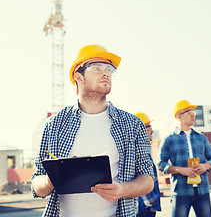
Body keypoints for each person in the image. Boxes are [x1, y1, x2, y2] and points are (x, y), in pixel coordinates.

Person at [31, 44, 154, 217]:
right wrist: (50, 180)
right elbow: (37, 184)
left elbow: (148, 180)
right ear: (78, 76)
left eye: (109, 69)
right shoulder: (54, 125)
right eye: (97, 67)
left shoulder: (132, 125)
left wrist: (121, 189)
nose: (106, 73)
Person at [157, 100, 211, 217]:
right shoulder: (169, 139)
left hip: (203, 190)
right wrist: (180, 170)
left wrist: (206, 166)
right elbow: (160, 163)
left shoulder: (202, 138)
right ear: (179, 115)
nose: (193, 114)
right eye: (189, 112)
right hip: (180, 191)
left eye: (193, 112)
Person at [134, 112, 161, 217]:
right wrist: (152, 204)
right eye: (148, 127)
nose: (152, 131)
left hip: (145, 207)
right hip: (144, 208)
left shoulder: (143, 150)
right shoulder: (138, 152)